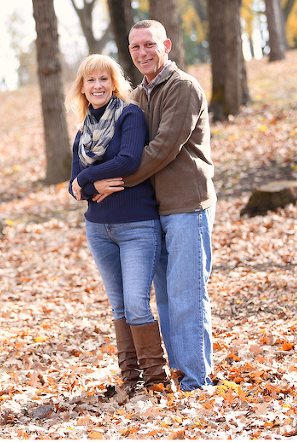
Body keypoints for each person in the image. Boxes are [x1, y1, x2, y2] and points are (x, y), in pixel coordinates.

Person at [93, 20, 217, 391]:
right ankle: (180, 372)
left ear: (165, 45)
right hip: (154, 209)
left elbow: (162, 149)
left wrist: (117, 183)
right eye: (135, 48)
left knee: (187, 295)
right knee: (164, 297)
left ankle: (197, 380)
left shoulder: (183, 88)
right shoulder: (141, 95)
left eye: (149, 45)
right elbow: (124, 147)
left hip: (187, 206)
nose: (143, 53)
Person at [66, 54, 171, 395]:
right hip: (98, 229)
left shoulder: (130, 115)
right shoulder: (83, 132)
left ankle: (156, 381)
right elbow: (72, 187)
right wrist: (87, 185)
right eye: (90, 80)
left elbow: (128, 160)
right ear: (82, 88)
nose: (97, 86)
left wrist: (86, 179)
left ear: (114, 84)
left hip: (137, 225)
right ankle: (131, 380)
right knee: (119, 305)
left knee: (137, 303)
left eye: (103, 79)